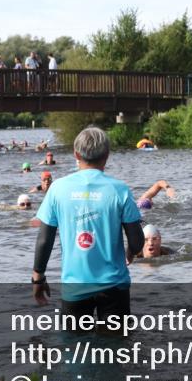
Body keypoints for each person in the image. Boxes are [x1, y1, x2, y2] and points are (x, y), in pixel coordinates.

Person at [30, 127, 145, 324]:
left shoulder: (57, 188)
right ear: (107, 155)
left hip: (75, 286)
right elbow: (136, 241)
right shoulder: (120, 189)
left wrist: (38, 278)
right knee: (116, 348)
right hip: (114, 286)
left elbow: (44, 240)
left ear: (76, 154)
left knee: (74, 348)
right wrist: (131, 252)